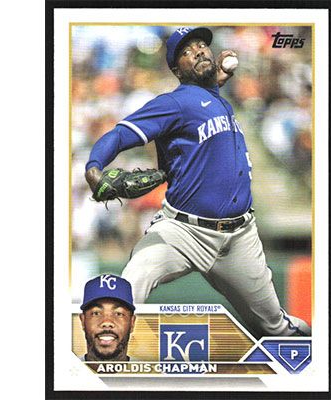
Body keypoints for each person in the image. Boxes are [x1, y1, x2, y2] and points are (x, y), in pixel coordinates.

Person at [85, 27, 311, 337]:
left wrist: (215, 84)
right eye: (187, 52)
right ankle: (105, 351)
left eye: (202, 45)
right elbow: (121, 134)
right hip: (183, 231)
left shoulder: (220, 101)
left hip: (240, 238)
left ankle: (316, 356)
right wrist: (94, 166)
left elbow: (205, 103)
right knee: (131, 283)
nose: (199, 51)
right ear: (177, 70)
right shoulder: (175, 102)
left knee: (276, 328)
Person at [79, 274, 136, 361]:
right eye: (96, 313)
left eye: (118, 314)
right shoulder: (63, 369)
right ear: (83, 321)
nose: (107, 322)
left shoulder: (152, 370)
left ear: (132, 323)